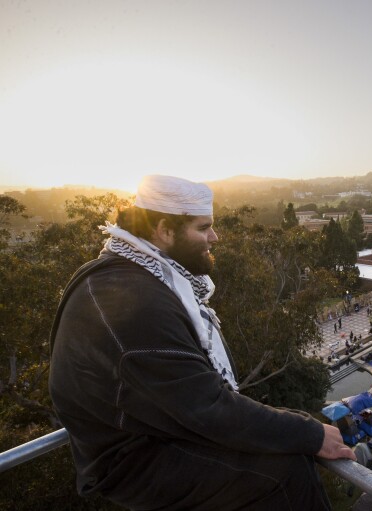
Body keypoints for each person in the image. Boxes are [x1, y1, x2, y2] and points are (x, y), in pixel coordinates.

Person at [49, 175, 355, 510]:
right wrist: (310, 433)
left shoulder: (130, 273)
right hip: (129, 458)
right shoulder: (135, 304)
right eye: (203, 227)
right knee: (284, 472)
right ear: (165, 230)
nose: (215, 237)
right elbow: (206, 407)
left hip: (145, 430)